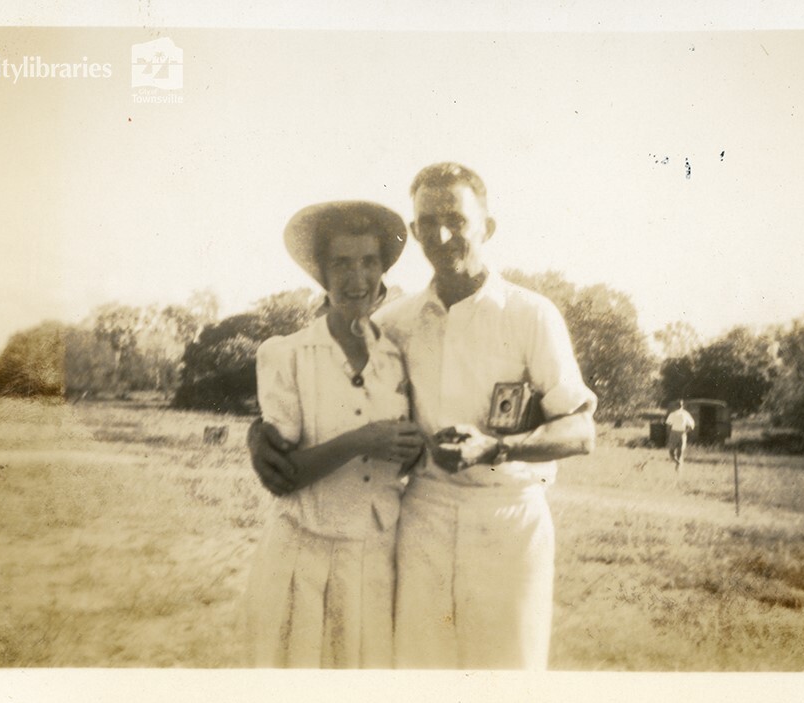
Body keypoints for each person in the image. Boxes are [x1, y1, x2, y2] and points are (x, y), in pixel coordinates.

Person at [249, 163, 596, 670]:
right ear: (414, 232)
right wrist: (258, 432)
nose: (442, 235)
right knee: (417, 675)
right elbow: (325, 369)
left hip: (507, 521)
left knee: (508, 676)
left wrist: (497, 448)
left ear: (487, 227)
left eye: (456, 219)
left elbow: (581, 430)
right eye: (428, 222)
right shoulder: (396, 322)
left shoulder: (530, 314)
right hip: (422, 521)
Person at [242, 200, 423, 668]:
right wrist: (363, 440)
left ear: (382, 271)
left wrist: (411, 448)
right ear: (322, 273)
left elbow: (407, 453)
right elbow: (283, 476)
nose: (356, 278)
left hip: (373, 558)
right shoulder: (287, 354)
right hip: (302, 558)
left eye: (369, 262)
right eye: (341, 263)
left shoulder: (397, 357)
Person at [665, 399, 696, 469]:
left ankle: (678, 464)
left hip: (677, 432)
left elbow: (668, 426)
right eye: (679, 404)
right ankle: (678, 465)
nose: (679, 406)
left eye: (679, 405)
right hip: (679, 433)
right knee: (677, 452)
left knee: (674, 451)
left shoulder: (676, 414)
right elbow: (692, 426)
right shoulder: (683, 414)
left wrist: (669, 434)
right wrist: (686, 432)